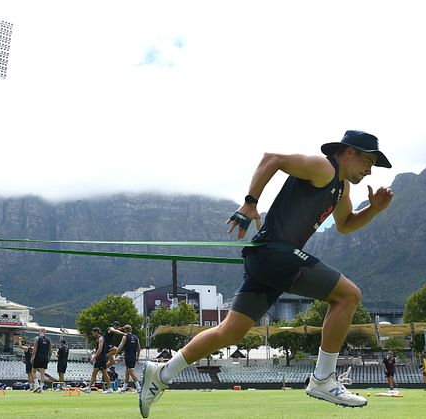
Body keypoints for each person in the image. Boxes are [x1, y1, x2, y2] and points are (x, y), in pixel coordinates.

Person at [140, 130, 393, 417]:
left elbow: (345, 224)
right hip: (275, 254)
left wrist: (373, 210)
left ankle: (160, 374)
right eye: (368, 161)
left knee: (230, 332)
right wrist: (250, 202)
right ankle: (323, 379)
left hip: (267, 259)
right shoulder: (324, 168)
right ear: (349, 152)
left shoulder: (341, 188)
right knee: (349, 296)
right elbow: (271, 159)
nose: (370, 171)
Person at [116, 324, 141, 392]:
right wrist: (137, 356)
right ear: (131, 330)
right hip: (133, 356)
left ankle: (139, 388)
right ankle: (124, 388)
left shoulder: (125, 337)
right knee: (127, 372)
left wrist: (115, 354)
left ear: (125, 330)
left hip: (128, 356)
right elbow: (139, 348)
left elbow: (120, 346)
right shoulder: (136, 337)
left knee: (131, 371)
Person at [89, 327, 114, 394]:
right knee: (104, 373)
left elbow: (100, 349)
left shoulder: (100, 338)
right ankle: (109, 388)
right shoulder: (99, 338)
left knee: (95, 373)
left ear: (96, 332)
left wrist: (94, 358)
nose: (93, 335)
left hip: (100, 359)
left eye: (93, 333)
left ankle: (89, 388)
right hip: (101, 358)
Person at [31, 328, 52, 393]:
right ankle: (41, 389)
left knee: (33, 371)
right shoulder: (49, 340)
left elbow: (35, 349)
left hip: (38, 357)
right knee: (42, 373)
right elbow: (50, 351)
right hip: (45, 357)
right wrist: (49, 358)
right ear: (45, 332)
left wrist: (32, 357)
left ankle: (37, 386)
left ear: (39, 331)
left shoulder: (37, 338)